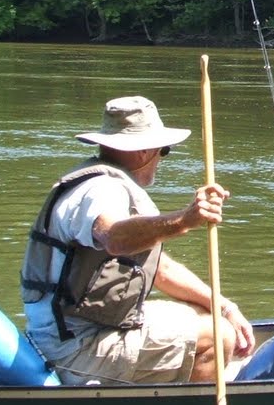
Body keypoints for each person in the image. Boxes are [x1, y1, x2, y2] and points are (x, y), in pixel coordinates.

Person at [21, 95, 256, 384]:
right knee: (217, 337)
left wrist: (223, 306)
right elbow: (114, 237)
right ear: (144, 151)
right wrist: (185, 219)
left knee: (205, 312)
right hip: (76, 348)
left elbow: (161, 269)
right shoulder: (103, 190)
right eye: (164, 150)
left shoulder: (97, 181)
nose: (161, 158)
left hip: (68, 336)